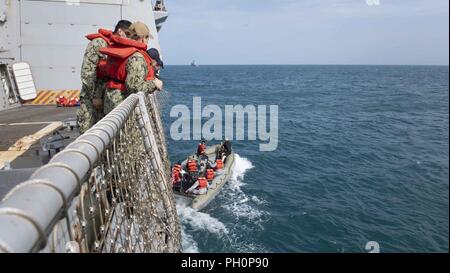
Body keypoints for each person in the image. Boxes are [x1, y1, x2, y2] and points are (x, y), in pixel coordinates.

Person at [76, 20, 131, 134]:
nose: (129, 38)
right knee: (88, 135)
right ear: (120, 31)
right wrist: (94, 97)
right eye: (128, 33)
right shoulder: (98, 43)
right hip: (91, 101)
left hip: (105, 100)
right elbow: (87, 72)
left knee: (104, 136)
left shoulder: (115, 47)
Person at [100, 21, 164, 115]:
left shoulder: (119, 49)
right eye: (147, 38)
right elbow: (134, 87)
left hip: (110, 98)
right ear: (142, 38)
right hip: (123, 104)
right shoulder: (136, 56)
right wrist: (154, 84)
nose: (147, 41)